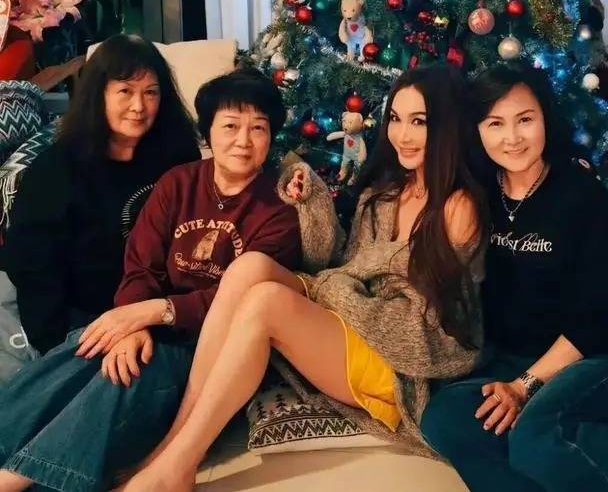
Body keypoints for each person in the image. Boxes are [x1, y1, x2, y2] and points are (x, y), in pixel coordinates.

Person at [118, 65, 488, 492]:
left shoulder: (458, 209)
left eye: (419, 121)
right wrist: (311, 203)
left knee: (265, 303)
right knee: (249, 267)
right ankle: (174, 446)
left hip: (402, 367)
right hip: (354, 326)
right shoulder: (384, 195)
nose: (402, 134)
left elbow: (423, 334)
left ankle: (177, 464)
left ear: (447, 125)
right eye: (396, 119)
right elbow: (335, 262)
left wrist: (327, 290)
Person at [0, 67, 316, 492]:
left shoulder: (277, 212)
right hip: (149, 322)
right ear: (208, 132)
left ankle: (15, 479)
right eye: (230, 126)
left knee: (129, 373)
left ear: (270, 136)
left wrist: (156, 314)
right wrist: (133, 324)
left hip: (211, 348)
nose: (243, 140)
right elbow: (140, 264)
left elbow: (241, 298)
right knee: (85, 346)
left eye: (257, 128)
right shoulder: (178, 183)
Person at [421, 61, 608, 492]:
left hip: (595, 354)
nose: (512, 137)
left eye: (525, 119)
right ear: (477, 130)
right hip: (516, 356)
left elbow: (599, 317)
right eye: (495, 123)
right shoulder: (478, 194)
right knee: (443, 419)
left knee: (533, 438)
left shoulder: (583, 194)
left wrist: (524, 387)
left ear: (545, 118)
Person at [3, 33, 200, 355]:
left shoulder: (179, 156)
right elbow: (34, 269)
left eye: (151, 92)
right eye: (125, 91)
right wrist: (70, 341)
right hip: (82, 327)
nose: (139, 106)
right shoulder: (56, 169)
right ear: (99, 94)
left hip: (164, 319)